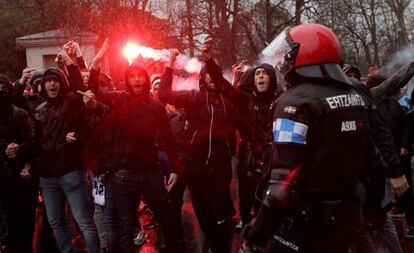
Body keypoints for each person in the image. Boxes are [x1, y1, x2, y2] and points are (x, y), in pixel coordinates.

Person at [240, 23, 386, 253]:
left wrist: (255, 236)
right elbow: (376, 165)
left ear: (306, 53)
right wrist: (371, 214)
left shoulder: (296, 101)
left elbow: (282, 187)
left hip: (302, 226)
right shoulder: (355, 95)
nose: (286, 59)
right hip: (344, 221)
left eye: (291, 52)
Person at [159, 49, 242, 253]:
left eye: (216, 74)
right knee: (203, 214)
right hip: (196, 168)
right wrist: (170, 62)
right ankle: (215, 245)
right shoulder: (194, 98)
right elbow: (163, 94)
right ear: (202, 77)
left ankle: (220, 247)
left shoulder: (228, 102)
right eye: (208, 74)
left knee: (220, 214)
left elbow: (242, 104)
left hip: (220, 168)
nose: (213, 78)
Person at [34, 50, 101, 253]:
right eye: (48, 81)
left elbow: (81, 88)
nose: (52, 84)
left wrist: (71, 63)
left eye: (56, 80)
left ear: (61, 83)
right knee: (55, 222)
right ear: (43, 85)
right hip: (47, 177)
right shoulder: (39, 110)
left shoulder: (70, 102)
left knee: (84, 221)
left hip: (70, 172)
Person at [0, 74, 35, 253]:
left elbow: (32, 142)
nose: (1, 93)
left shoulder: (20, 114)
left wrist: (19, 148)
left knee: (24, 226)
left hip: (21, 181)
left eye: (5, 89)